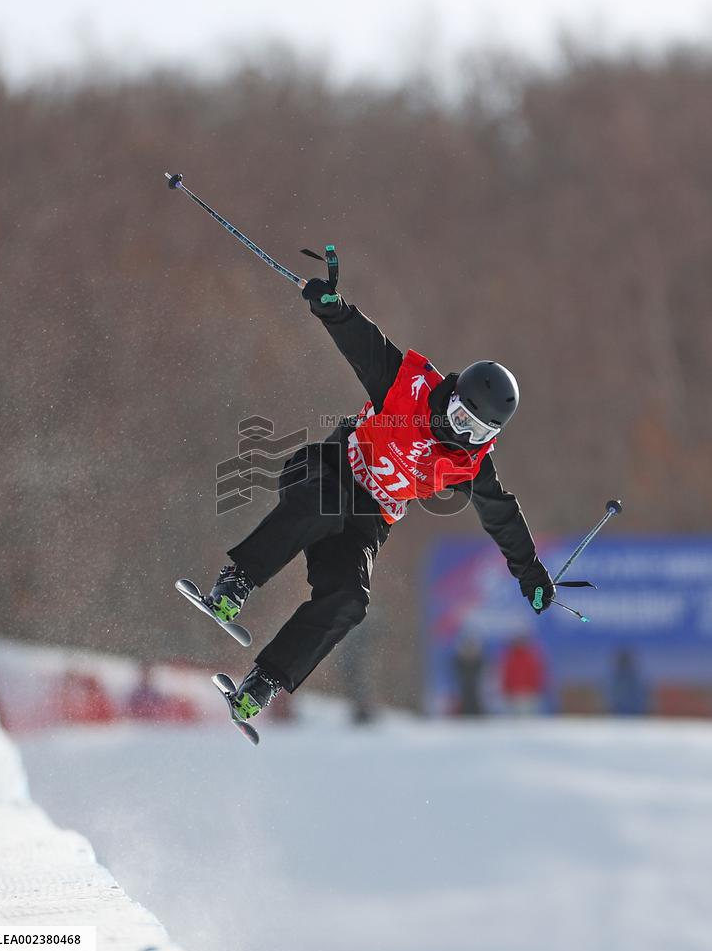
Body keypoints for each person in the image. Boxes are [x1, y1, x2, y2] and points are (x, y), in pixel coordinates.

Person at [204, 278, 555, 723]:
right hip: (329, 468)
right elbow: (362, 343)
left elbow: (501, 516)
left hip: (368, 518)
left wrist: (532, 576)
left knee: (351, 599)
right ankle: (237, 580)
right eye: (462, 419)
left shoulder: (471, 464)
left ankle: (267, 679)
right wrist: (330, 306)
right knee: (322, 503)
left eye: (479, 433)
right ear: (454, 400)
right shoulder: (407, 387)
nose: (463, 435)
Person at [500, 635, 547, 716]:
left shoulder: (531, 657)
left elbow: (537, 674)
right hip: (514, 693)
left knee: (528, 717)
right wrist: (506, 690)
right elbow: (507, 676)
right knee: (515, 718)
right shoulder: (510, 657)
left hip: (528, 693)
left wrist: (536, 689)